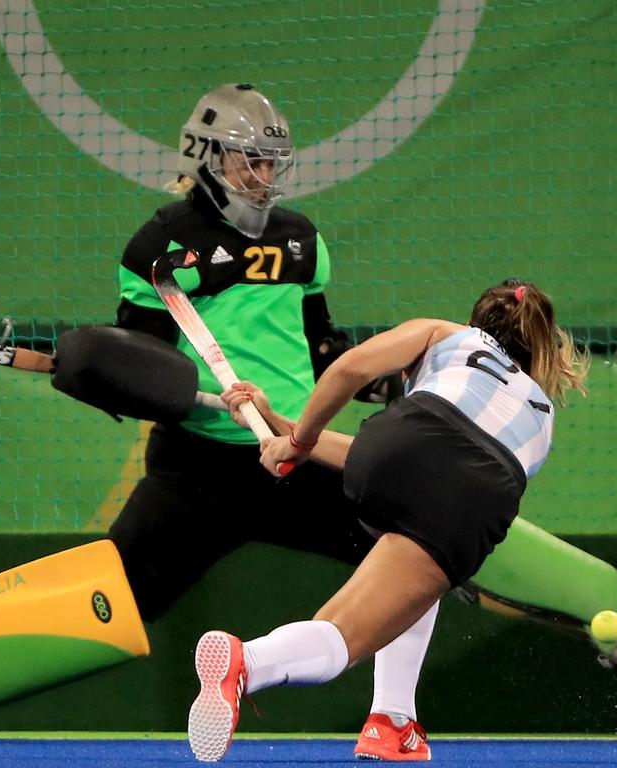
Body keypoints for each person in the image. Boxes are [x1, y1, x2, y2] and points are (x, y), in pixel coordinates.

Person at [110, 82, 439, 760]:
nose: (262, 178)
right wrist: (120, 382)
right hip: (197, 467)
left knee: (418, 552)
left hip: (294, 456)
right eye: (246, 162)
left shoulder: (301, 241)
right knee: (113, 599)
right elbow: (139, 362)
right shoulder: (162, 244)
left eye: (269, 163)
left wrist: (386, 385)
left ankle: (392, 722)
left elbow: (322, 347)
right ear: (206, 158)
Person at [186, 280, 590, 762]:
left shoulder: (443, 334)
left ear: (476, 321)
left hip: (391, 452)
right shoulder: (542, 415)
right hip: (471, 494)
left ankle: (392, 719)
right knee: (345, 634)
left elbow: (352, 371)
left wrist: (291, 433)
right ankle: (247, 663)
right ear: (540, 346)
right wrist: (292, 439)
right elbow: (451, 466)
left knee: (413, 578)